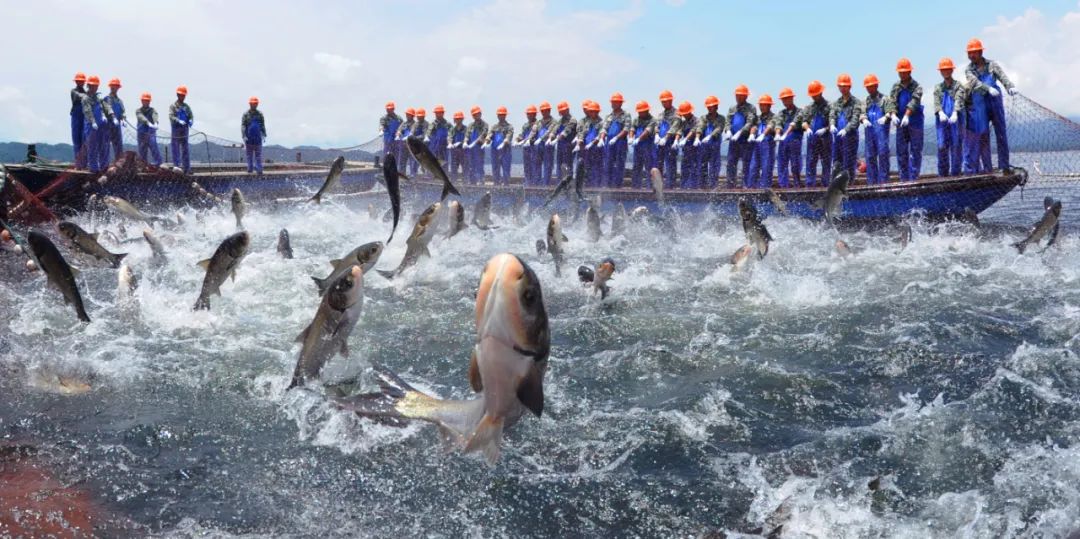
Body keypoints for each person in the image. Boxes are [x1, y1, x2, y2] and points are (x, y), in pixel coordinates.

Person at [965, 38, 1017, 172]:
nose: (971, 56)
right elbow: (974, 82)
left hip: (995, 102)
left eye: (974, 53)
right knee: (982, 135)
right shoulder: (969, 70)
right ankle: (987, 168)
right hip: (980, 103)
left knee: (1001, 133)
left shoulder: (992, 65)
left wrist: (1009, 86)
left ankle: (1004, 166)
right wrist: (988, 89)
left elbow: (1002, 77)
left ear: (980, 52)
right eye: (969, 53)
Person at [887, 58, 924, 181]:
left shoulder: (917, 86)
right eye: (900, 72)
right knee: (901, 152)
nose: (902, 74)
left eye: (905, 72)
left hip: (915, 122)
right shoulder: (895, 87)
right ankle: (903, 179)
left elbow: (915, 101)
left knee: (916, 151)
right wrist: (893, 114)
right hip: (901, 124)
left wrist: (907, 115)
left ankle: (914, 178)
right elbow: (891, 101)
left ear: (909, 72)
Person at [934, 58, 965, 177]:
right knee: (942, 147)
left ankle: (956, 174)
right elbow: (936, 102)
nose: (945, 72)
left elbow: (959, 98)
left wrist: (955, 112)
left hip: (955, 121)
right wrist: (940, 112)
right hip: (942, 123)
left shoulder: (958, 86)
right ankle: (943, 175)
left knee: (956, 146)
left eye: (948, 69)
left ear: (952, 70)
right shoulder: (938, 88)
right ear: (940, 71)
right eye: (943, 70)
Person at [830, 74, 863, 181]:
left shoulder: (856, 102)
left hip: (850, 137)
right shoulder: (836, 103)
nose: (843, 88)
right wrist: (831, 124)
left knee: (848, 163)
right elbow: (832, 115)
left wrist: (846, 129)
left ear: (849, 87)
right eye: (841, 86)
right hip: (838, 138)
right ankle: (836, 188)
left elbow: (855, 119)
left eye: (845, 86)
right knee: (837, 163)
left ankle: (849, 187)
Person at [799, 80, 832, 186]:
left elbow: (832, 122)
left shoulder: (829, 106)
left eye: (815, 95)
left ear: (821, 93)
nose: (814, 97)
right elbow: (804, 121)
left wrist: (825, 129)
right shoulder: (809, 108)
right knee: (811, 163)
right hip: (812, 140)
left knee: (826, 163)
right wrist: (807, 128)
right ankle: (810, 185)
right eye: (812, 95)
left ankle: (826, 185)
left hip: (825, 140)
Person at [861, 74, 891, 184]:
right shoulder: (865, 101)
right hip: (869, 135)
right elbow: (862, 113)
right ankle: (871, 184)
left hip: (881, 134)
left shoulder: (884, 99)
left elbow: (890, 111)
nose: (869, 88)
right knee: (870, 157)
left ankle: (884, 183)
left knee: (883, 156)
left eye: (872, 86)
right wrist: (864, 119)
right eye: (867, 87)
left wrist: (886, 117)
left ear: (876, 85)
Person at [726, 85, 758, 188]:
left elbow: (750, 122)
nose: (738, 98)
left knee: (746, 163)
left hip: (745, 140)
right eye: (737, 95)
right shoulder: (732, 108)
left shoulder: (751, 108)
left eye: (741, 96)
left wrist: (740, 132)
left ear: (746, 97)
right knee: (731, 163)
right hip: (733, 140)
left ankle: (746, 185)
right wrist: (727, 130)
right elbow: (728, 121)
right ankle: (730, 185)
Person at [694, 96, 726, 189]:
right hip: (704, 147)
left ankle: (713, 187)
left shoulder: (721, 118)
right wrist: (697, 137)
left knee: (714, 167)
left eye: (711, 106)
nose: (709, 108)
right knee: (702, 166)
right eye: (708, 106)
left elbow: (719, 128)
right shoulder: (704, 118)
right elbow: (700, 127)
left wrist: (710, 136)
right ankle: (701, 186)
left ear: (716, 106)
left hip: (714, 145)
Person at [774, 88, 802, 188]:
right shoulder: (781, 113)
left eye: (786, 99)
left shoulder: (799, 112)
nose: (785, 101)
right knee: (782, 165)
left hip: (795, 142)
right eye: (783, 100)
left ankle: (797, 186)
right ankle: (783, 187)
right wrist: (778, 133)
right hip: (783, 143)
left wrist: (786, 133)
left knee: (795, 165)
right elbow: (778, 124)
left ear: (792, 98)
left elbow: (795, 123)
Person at [601, 92, 630, 188]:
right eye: (612, 102)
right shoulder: (609, 116)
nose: (613, 104)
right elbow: (604, 128)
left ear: (621, 103)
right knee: (608, 164)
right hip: (609, 142)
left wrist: (616, 137)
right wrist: (602, 138)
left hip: (620, 142)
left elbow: (626, 129)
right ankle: (607, 185)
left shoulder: (626, 115)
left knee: (619, 165)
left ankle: (617, 186)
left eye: (616, 102)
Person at [80, 75, 108, 173]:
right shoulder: (85, 98)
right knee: (92, 147)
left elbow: (102, 108)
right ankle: (94, 168)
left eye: (96, 86)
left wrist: (104, 115)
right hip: (91, 126)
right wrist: (93, 122)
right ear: (88, 85)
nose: (94, 87)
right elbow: (87, 111)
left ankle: (104, 166)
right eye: (92, 85)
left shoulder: (98, 98)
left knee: (102, 146)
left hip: (101, 126)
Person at [749, 94, 776, 188]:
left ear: (769, 105)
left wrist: (763, 135)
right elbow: (754, 126)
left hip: (767, 146)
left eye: (764, 105)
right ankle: (751, 188)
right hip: (757, 147)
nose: (761, 107)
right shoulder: (758, 118)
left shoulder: (774, 117)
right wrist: (752, 133)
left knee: (766, 168)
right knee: (753, 167)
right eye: (760, 105)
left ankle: (765, 189)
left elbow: (770, 126)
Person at [628, 100, 657, 188]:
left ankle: (650, 187)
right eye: (639, 112)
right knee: (636, 167)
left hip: (648, 146)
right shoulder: (636, 119)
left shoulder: (652, 120)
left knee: (649, 167)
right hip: (638, 148)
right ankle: (635, 187)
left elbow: (647, 131)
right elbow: (632, 128)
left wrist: (638, 139)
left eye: (642, 111)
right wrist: (631, 137)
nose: (640, 113)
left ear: (647, 111)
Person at [575, 100, 604, 186]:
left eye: (592, 111)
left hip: (596, 149)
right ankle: (587, 185)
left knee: (596, 168)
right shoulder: (587, 122)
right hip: (586, 149)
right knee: (586, 167)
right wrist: (579, 142)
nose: (589, 113)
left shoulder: (601, 122)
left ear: (597, 112)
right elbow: (582, 133)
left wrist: (592, 143)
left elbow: (600, 135)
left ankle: (596, 186)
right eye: (589, 111)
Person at [655, 90, 679, 187]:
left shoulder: (676, 113)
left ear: (671, 101)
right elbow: (657, 125)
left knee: (670, 165)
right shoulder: (661, 114)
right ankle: (658, 185)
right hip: (660, 143)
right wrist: (656, 134)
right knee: (658, 164)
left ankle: (670, 186)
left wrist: (665, 138)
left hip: (670, 143)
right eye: (662, 101)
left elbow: (675, 127)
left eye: (666, 101)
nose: (664, 103)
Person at [672, 101, 698, 189]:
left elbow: (693, 130)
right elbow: (679, 131)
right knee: (684, 169)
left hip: (695, 149)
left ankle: (693, 188)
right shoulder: (684, 123)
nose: (683, 115)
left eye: (684, 114)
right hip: (686, 150)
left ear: (689, 112)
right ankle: (683, 187)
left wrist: (686, 139)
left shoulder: (696, 121)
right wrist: (676, 140)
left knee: (693, 169)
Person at [550, 101, 578, 180]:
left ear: (567, 110)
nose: (562, 112)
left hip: (568, 146)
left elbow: (567, 130)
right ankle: (559, 182)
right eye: (561, 111)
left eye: (563, 110)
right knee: (559, 164)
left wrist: (558, 138)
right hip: (560, 146)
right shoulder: (560, 121)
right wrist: (552, 135)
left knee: (567, 165)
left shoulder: (573, 120)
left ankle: (568, 183)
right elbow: (555, 129)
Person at [169, 85, 194, 174]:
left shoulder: (186, 107)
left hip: (184, 129)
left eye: (183, 95)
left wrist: (191, 120)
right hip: (176, 129)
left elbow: (191, 115)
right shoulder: (173, 106)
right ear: (177, 95)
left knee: (185, 149)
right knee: (175, 148)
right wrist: (178, 120)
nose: (182, 97)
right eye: (180, 95)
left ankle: (187, 168)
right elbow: (171, 116)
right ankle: (176, 167)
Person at [486, 106, 513, 185]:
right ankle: (496, 185)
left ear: (505, 115)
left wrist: (504, 142)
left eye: (503, 115)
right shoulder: (494, 127)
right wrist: (487, 139)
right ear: (497, 116)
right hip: (495, 151)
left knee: (506, 170)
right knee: (495, 169)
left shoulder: (509, 127)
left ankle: (506, 186)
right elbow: (490, 134)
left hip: (505, 151)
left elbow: (509, 135)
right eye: (500, 115)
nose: (501, 116)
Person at [532, 101, 557, 185]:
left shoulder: (554, 122)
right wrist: (528, 139)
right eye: (542, 111)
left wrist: (542, 138)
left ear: (549, 111)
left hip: (547, 146)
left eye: (545, 110)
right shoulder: (538, 122)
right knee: (536, 166)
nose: (544, 112)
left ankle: (546, 185)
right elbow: (533, 131)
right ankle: (536, 184)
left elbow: (550, 131)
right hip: (538, 147)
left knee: (548, 166)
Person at [101, 78, 125, 165]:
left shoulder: (120, 101)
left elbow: (123, 111)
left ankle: (118, 164)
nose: (113, 88)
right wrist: (113, 117)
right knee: (105, 145)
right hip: (108, 125)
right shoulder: (106, 99)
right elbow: (108, 108)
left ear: (118, 87)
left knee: (118, 145)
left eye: (115, 86)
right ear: (110, 87)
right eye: (112, 86)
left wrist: (123, 119)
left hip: (117, 126)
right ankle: (104, 164)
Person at [136, 92, 162, 166]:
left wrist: (156, 122)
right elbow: (141, 117)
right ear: (142, 101)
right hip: (141, 133)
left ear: (149, 101)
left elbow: (155, 115)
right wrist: (148, 122)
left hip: (151, 133)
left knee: (154, 147)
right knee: (142, 151)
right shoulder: (138, 111)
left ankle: (158, 164)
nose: (146, 102)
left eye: (147, 100)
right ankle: (143, 165)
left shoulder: (152, 110)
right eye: (144, 100)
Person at [242, 96, 267, 175]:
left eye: (255, 103)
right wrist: (243, 135)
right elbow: (243, 125)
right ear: (250, 104)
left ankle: (259, 170)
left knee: (258, 155)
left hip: (258, 138)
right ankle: (250, 169)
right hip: (249, 138)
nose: (254, 105)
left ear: (257, 104)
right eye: (252, 103)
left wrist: (264, 134)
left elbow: (262, 125)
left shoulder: (260, 114)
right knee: (249, 155)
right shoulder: (246, 114)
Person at [516, 105, 538, 184]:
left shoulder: (537, 124)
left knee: (534, 166)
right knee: (526, 166)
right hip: (526, 148)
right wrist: (517, 139)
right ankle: (528, 182)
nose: (529, 115)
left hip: (533, 148)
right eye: (528, 114)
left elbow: (533, 133)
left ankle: (534, 183)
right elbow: (522, 134)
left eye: (531, 114)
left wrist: (525, 140)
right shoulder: (525, 125)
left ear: (535, 114)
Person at [465, 106, 488, 183]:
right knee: (471, 166)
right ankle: (472, 182)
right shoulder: (470, 125)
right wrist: (465, 141)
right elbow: (467, 135)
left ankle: (481, 181)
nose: (476, 116)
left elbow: (483, 134)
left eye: (477, 114)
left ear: (480, 114)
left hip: (479, 148)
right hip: (470, 149)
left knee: (479, 165)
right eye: (474, 115)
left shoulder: (484, 125)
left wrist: (475, 142)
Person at [70, 72, 87, 168]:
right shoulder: (73, 91)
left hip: (85, 116)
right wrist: (87, 96)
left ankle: (84, 163)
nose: (80, 82)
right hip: (76, 116)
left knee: (84, 138)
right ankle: (78, 164)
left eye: (82, 81)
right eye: (78, 81)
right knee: (76, 139)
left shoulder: (86, 92)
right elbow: (79, 96)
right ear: (76, 82)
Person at [448, 111, 467, 180]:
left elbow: (467, 137)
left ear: (462, 119)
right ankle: (454, 181)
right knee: (454, 167)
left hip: (463, 151)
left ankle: (466, 181)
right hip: (454, 152)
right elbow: (449, 137)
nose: (458, 120)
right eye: (456, 119)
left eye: (459, 119)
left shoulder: (466, 129)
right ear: (454, 120)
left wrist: (462, 143)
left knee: (465, 167)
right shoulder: (452, 129)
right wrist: (450, 143)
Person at [394, 107, 415, 173]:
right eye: (407, 114)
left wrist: (409, 136)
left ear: (412, 116)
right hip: (403, 146)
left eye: (409, 114)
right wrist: (398, 134)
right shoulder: (404, 123)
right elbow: (399, 130)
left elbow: (412, 131)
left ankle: (413, 176)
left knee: (412, 162)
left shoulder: (415, 124)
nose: (407, 116)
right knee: (402, 162)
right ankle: (402, 175)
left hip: (411, 146)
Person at [409, 108, 428, 175]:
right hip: (415, 146)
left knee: (425, 161)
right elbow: (412, 132)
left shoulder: (426, 124)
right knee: (414, 161)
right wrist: (411, 136)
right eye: (418, 116)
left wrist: (416, 137)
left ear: (424, 116)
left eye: (421, 116)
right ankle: (413, 175)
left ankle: (426, 175)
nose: (419, 117)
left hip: (423, 146)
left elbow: (425, 134)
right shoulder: (415, 124)